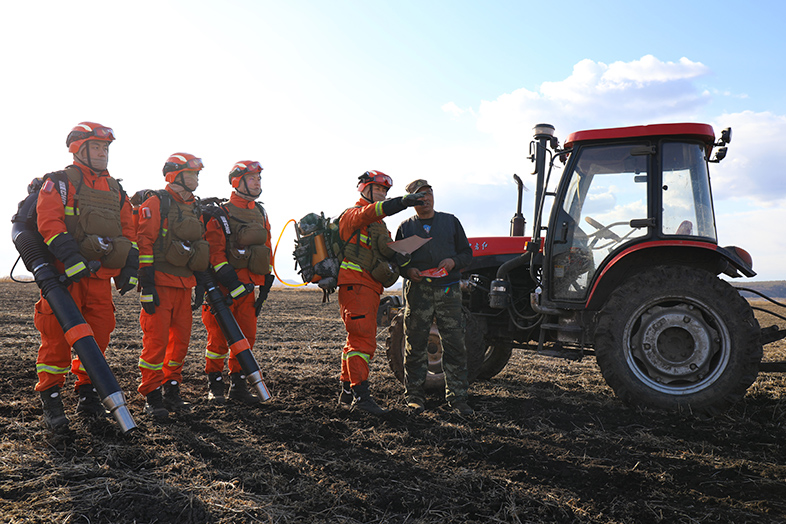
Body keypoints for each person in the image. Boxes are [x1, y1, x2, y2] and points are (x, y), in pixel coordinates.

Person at [35, 122, 138, 431]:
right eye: (97, 147)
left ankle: (87, 392)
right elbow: (49, 221)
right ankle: (51, 397)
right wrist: (70, 258)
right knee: (56, 336)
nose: (103, 153)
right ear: (79, 149)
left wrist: (130, 267)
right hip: (65, 278)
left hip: (100, 278)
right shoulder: (60, 182)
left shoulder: (116, 189)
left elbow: (128, 229)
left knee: (100, 333)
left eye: (106, 148)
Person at [337, 171, 423, 415]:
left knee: (354, 341)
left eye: (386, 191)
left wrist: (404, 256)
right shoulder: (354, 214)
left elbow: (386, 250)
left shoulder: (378, 225)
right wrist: (401, 202)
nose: (384, 194)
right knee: (362, 341)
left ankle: (346, 394)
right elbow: (372, 211)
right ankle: (361, 397)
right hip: (356, 284)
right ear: (364, 189)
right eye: (379, 189)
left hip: (369, 286)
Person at [136, 153, 210, 421]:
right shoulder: (157, 202)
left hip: (184, 285)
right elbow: (144, 241)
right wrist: (146, 284)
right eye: (191, 174)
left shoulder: (194, 207)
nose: (196, 179)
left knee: (180, 343)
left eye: (197, 174)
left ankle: (172, 390)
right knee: (155, 343)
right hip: (159, 284)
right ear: (175, 175)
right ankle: (152, 396)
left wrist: (200, 281)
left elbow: (199, 246)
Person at [394, 179, 473, 415]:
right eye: (419, 196)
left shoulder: (450, 222)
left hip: (448, 290)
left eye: (428, 193)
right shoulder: (406, 227)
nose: (425, 199)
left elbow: (466, 253)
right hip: (418, 292)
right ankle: (415, 397)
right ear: (412, 202)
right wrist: (408, 271)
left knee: (455, 344)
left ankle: (458, 398)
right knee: (415, 343)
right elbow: (398, 261)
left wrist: (453, 262)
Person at [201, 160, 274, 405]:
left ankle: (238, 385)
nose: (257, 182)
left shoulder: (261, 212)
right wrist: (231, 283)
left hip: (250, 289)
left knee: (246, 338)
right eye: (252, 178)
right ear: (236, 181)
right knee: (218, 340)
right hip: (223, 292)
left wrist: (265, 280)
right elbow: (215, 253)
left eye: (259, 179)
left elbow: (266, 247)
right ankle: (215, 385)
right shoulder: (221, 213)